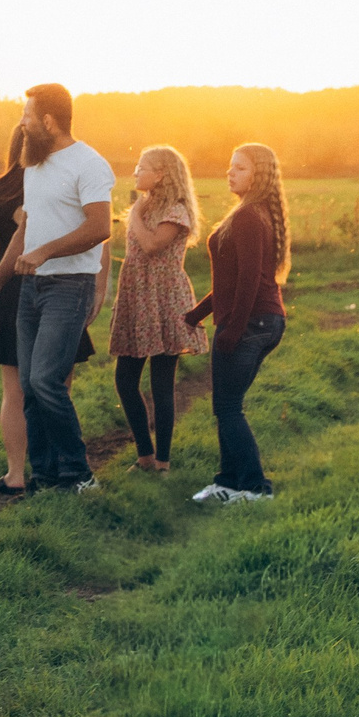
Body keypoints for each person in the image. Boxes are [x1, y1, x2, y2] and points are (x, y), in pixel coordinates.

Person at [0, 83, 113, 493]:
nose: (21, 123)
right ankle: (47, 475)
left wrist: (45, 253)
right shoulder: (34, 166)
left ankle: (80, 473)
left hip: (70, 286)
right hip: (31, 287)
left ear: (49, 121)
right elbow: (27, 227)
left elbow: (100, 227)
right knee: (29, 385)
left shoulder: (88, 164)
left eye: (27, 116)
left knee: (46, 381)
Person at [184, 141, 291, 504]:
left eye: (240, 167)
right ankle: (229, 482)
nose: (230, 172)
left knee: (228, 408)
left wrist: (232, 329)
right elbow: (229, 283)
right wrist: (196, 316)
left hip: (251, 323)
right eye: (230, 166)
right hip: (265, 321)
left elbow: (247, 281)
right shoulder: (252, 213)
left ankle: (255, 488)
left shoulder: (248, 217)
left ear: (258, 176)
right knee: (227, 405)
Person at [109, 145, 208, 472]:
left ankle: (162, 462)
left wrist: (133, 214)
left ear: (162, 173)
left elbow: (152, 245)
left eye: (142, 167)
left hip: (164, 298)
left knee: (161, 383)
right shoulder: (146, 205)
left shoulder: (177, 211)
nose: (135, 172)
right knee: (125, 380)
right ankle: (145, 455)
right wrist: (138, 211)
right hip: (136, 296)